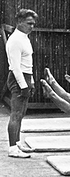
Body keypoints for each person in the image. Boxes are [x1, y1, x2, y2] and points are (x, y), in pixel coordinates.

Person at [6, 9, 38, 158]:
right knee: (16, 114)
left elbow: (27, 64)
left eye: (33, 24)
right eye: (28, 23)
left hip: (26, 77)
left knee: (21, 114)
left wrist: (30, 81)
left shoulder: (25, 37)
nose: (31, 26)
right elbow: (16, 67)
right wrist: (23, 86)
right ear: (19, 22)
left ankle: (17, 143)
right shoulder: (15, 40)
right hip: (18, 78)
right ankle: (12, 149)